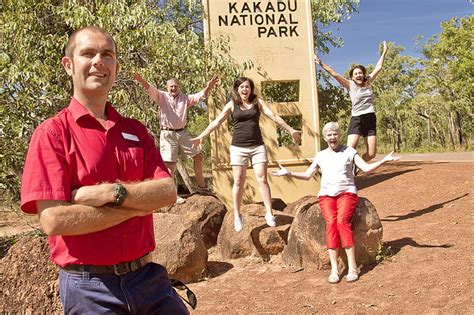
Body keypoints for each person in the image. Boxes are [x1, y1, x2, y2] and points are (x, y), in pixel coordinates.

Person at [20, 26, 190, 314]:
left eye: (107, 55)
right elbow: (54, 220)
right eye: (88, 53)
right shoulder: (52, 134)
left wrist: (110, 192)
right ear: (68, 65)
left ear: (116, 66)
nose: (99, 61)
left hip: (148, 278)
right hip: (90, 288)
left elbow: (166, 191)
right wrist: (138, 207)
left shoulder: (135, 130)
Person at [272, 122, 398, 283]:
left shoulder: (349, 152)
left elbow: (365, 168)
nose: (333, 137)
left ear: (340, 135)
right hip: (326, 196)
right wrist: (289, 173)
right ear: (325, 138)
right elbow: (307, 175)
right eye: (329, 135)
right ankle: (334, 269)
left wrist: (384, 160)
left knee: (342, 222)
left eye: (335, 134)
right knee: (331, 224)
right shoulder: (321, 155)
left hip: (347, 193)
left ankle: (352, 267)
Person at [191, 77, 301, 232]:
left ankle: (269, 213)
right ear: (237, 89)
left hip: (257, 147)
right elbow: (216, 122)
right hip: (238, 148)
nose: (245, 90)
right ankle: (237, 215)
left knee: (262, 178)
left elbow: (274, 116)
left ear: (251, 89)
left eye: (247, 87)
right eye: (242, 87)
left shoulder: (258, 102)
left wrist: (291, 130)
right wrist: (202, 136)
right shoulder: (232, 105)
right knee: (238, 181)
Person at [134, 72, 219, 204]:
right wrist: (141, 81)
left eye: (175, 86)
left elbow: (200, 96)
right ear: (167, 88)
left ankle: (203, 187)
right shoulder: (161, 96)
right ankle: (173, 195)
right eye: (171, 87)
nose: (173, 89)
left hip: (183, 133)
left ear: (179, 87)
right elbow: (149, 88)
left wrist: (209, 86)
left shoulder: (185, 98)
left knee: (198, 156)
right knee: (170, 165)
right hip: (168, 134)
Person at [314, 41, 388, 162]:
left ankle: (358, 165)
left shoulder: (368, 82)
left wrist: (384, 51)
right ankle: (343, 167)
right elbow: (334, 73)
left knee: (371, 154)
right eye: (355, 74)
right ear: (352, 77)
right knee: (349, 149)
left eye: (360, 73)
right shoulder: (350, 85)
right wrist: (320, 63)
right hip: (357, 119)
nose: (358, 75)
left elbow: (378, 67)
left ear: (364, 75)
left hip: (370, 118)